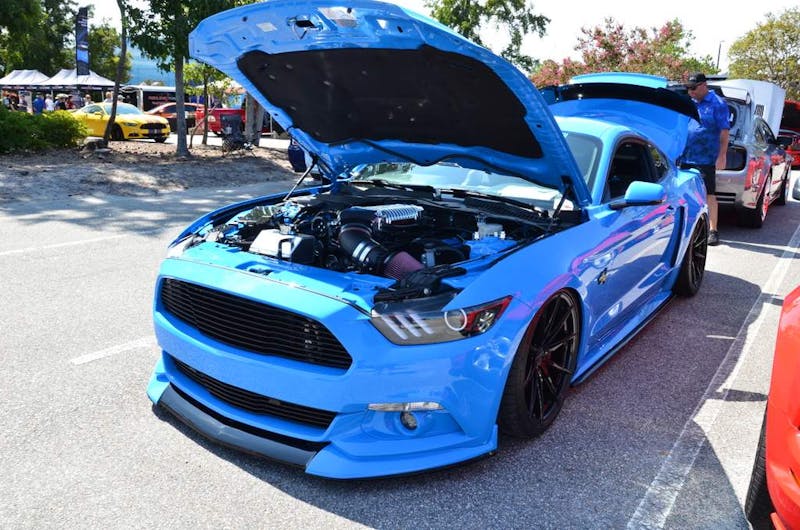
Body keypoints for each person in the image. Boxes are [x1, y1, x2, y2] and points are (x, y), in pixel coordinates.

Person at [679, 72, 730, 246]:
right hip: (686, 156)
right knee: (684, 193)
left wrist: (722, 155)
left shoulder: (718, 104)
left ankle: (713, 230)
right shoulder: (689, 102)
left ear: (703, 85)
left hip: (706, 157)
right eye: (688, 88)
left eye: (693, 88)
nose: (690, 92)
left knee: (709, 194)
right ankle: (688, 227)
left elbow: (724, 131)